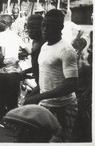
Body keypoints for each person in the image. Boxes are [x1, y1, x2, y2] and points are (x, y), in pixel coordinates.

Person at [23, 9, 79, 142]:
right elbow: (46, 79)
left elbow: (71, 84)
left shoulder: (66, 50)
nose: (46, 29)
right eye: (44, 25)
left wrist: (39, 96)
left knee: (57, 141)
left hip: (63, 108)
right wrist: (33, 95)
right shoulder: (44, 47)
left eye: (51, 26)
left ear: (61, 27)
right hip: (46, 104)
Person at [0, 13, 30, 118]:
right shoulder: (15, 36)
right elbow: (28, 51)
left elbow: (2, 54)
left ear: (5, 24)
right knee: (12, 99)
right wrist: (17, 57)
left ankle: (0, 123)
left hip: (5, 72)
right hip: (15, 72)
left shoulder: (1, 35)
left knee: (0, 99)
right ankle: (13, 122)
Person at [21, 14, 45, 88]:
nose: (29, 31)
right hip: (39, 83)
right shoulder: (35, 42)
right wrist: (25, 72)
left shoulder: (45, 45)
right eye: (28, 28)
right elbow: (37, 66)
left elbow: (44, 69)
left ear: (42, 28)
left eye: (34, 28)